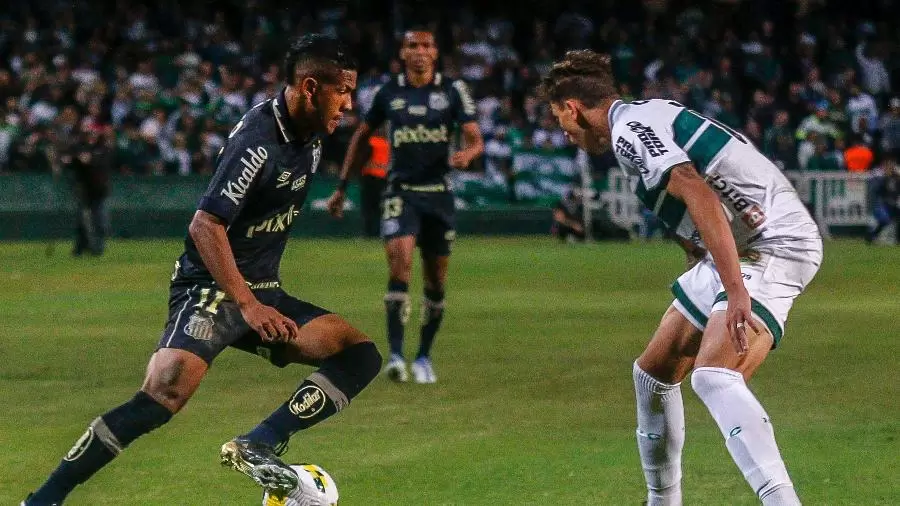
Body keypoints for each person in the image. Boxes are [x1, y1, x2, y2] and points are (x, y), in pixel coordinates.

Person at [23, 34, 382, 505]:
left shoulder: (310, 137)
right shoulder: (258, 142)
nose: (349, 105)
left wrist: (258, 298)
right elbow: (205, 224)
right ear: (311, 87)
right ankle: (43, 500)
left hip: (261, 290)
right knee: (160, 398)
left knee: (359, 355)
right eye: (344, 92)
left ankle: (261, 442)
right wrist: (248, 304)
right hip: (211, 290)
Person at [540, 50, 823, 506]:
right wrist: (695, 249)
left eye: (561, 121)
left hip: (774, 244)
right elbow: (695, 188)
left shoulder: (630, 131)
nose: (566, 134)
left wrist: (735, 292)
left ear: (573, 108)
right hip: (739, 244)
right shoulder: (645, 114)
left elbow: (695, 188)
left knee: (714, 376)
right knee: (652, 373)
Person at [326, 27, 483, 384]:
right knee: (400, 265)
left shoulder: (453, 91)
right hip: (401, 192)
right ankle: (396, 356)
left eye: (426, 45)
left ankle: (424, 355)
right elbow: (361, 138)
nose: (420, 52)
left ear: (436, 52)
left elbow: (476, 140)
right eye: (413, 45)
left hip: (439, 194)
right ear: (402, 53)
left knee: (436, 281)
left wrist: (466, 154)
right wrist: (341, 187)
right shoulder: (388, 92)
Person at [867, 151, 899, 244]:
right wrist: (886, 176)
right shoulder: (878, 173)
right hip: (880, 202)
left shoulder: (895, 175)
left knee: (891, 219)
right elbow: (876, 190)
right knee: (884, 219)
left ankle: (893, 238)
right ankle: (872, 235)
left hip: (891, 202)